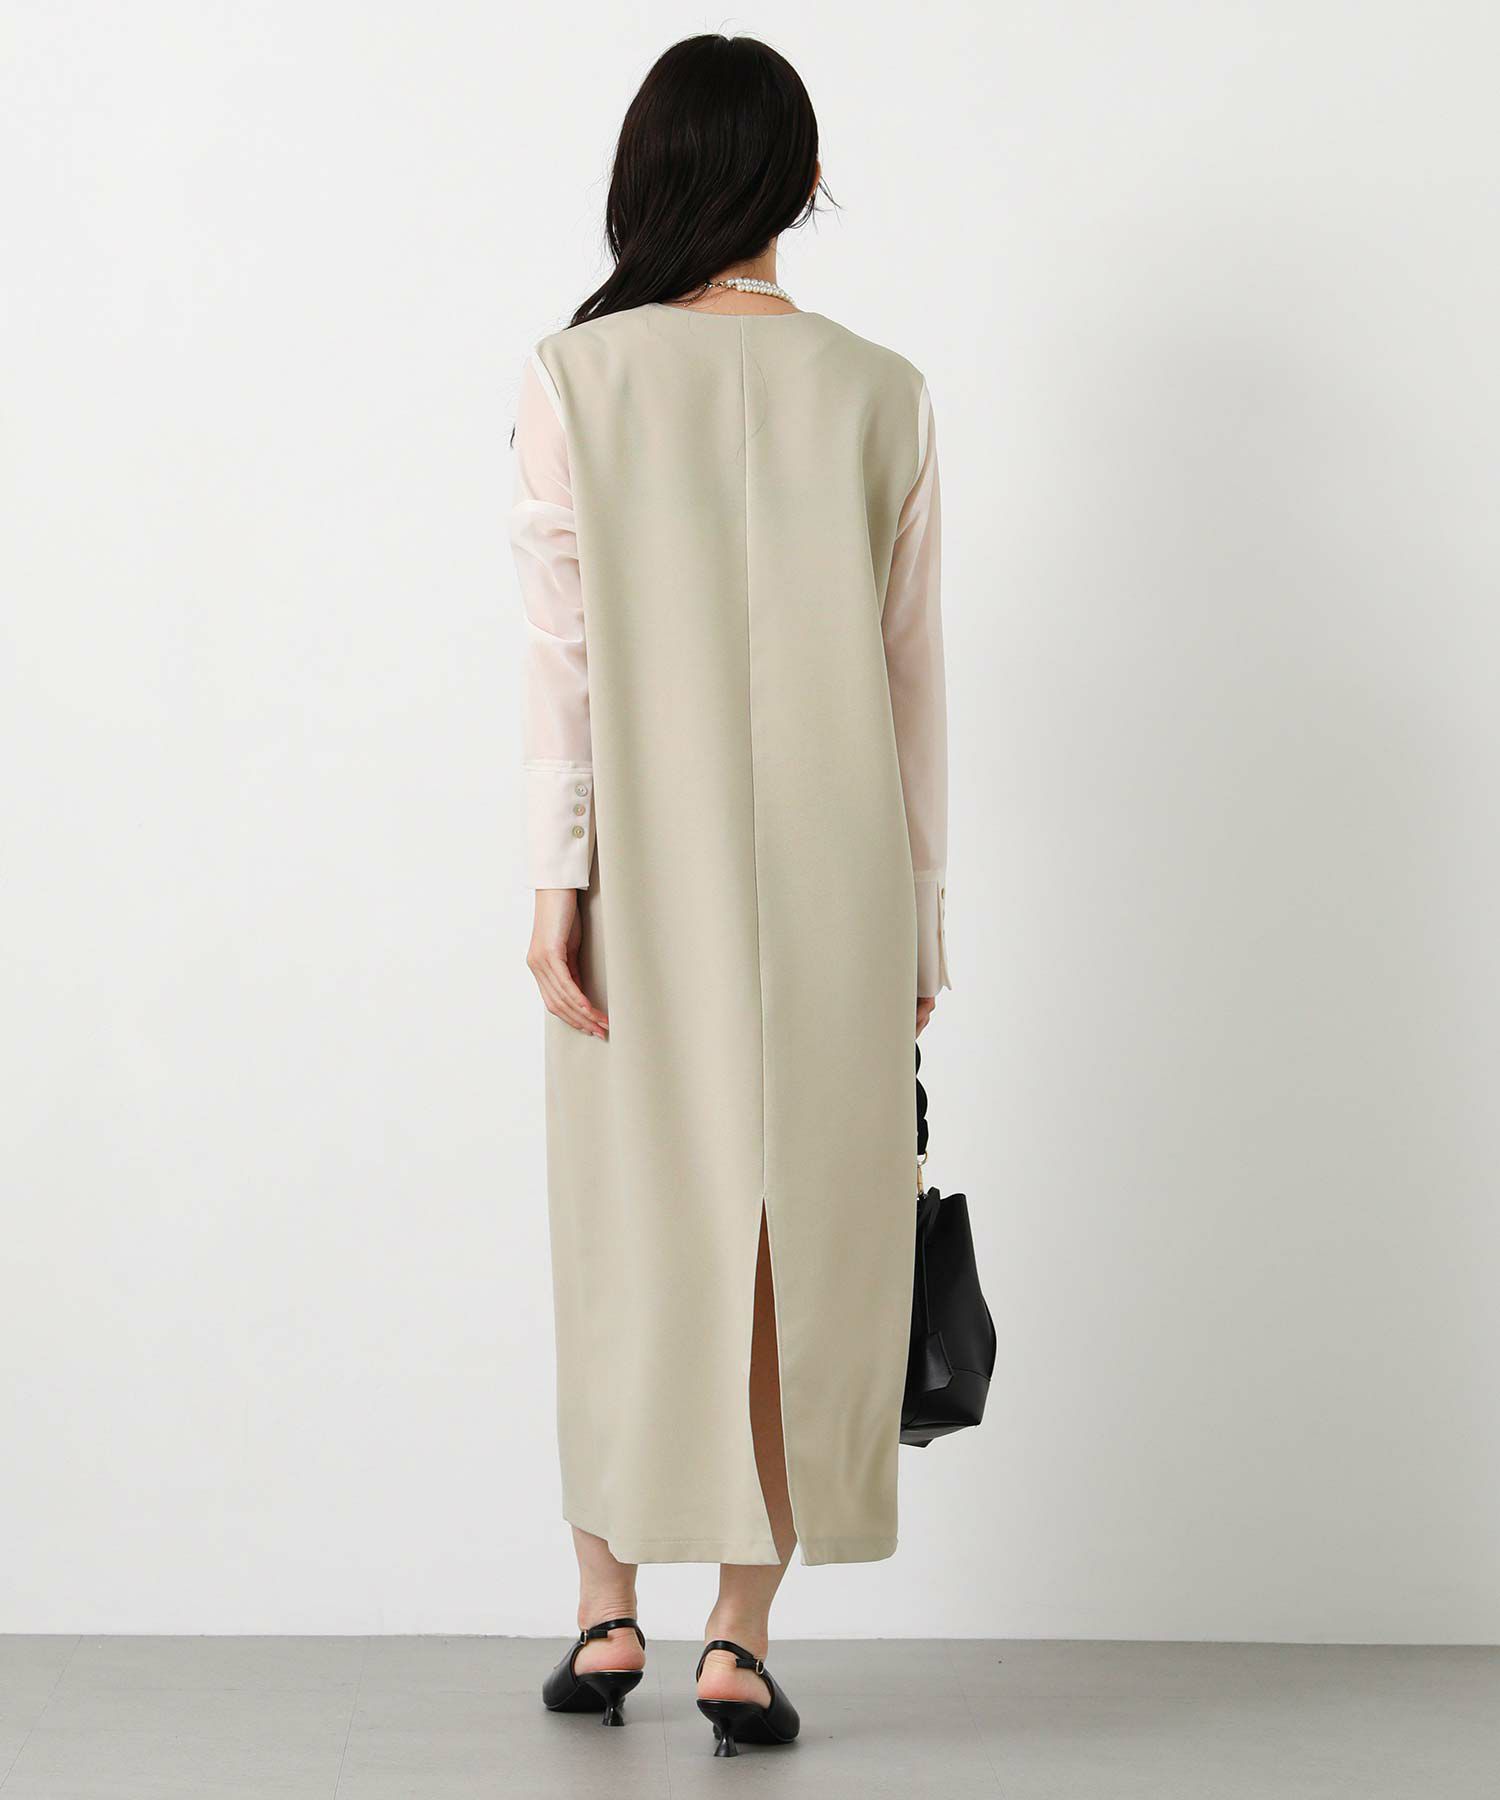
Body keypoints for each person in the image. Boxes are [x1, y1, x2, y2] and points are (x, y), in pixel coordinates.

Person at [509, 31, 950, 1757]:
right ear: (803, 180)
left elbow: (561, 659)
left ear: (648, 178)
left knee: (628, 1225)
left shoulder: (576, 377)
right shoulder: (883, 391)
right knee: (802, 1243)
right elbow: (913, 684)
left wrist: (555, 877)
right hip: (840, 879)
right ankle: (740, 1641)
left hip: (642, 870)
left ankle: (604, 1604)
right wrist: (921, 922)